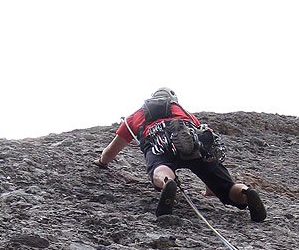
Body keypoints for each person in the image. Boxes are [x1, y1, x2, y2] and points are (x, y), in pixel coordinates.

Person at [97, 87, 266, 221]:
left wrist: (102, 161)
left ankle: (167, 182)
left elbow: (113, 148)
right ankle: (246, 193)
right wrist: (210, 188)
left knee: (160, 166)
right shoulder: (184, 113)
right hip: (193, 140)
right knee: (226, 186)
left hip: (158, 139)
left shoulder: (135, 116)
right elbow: (207, 144)